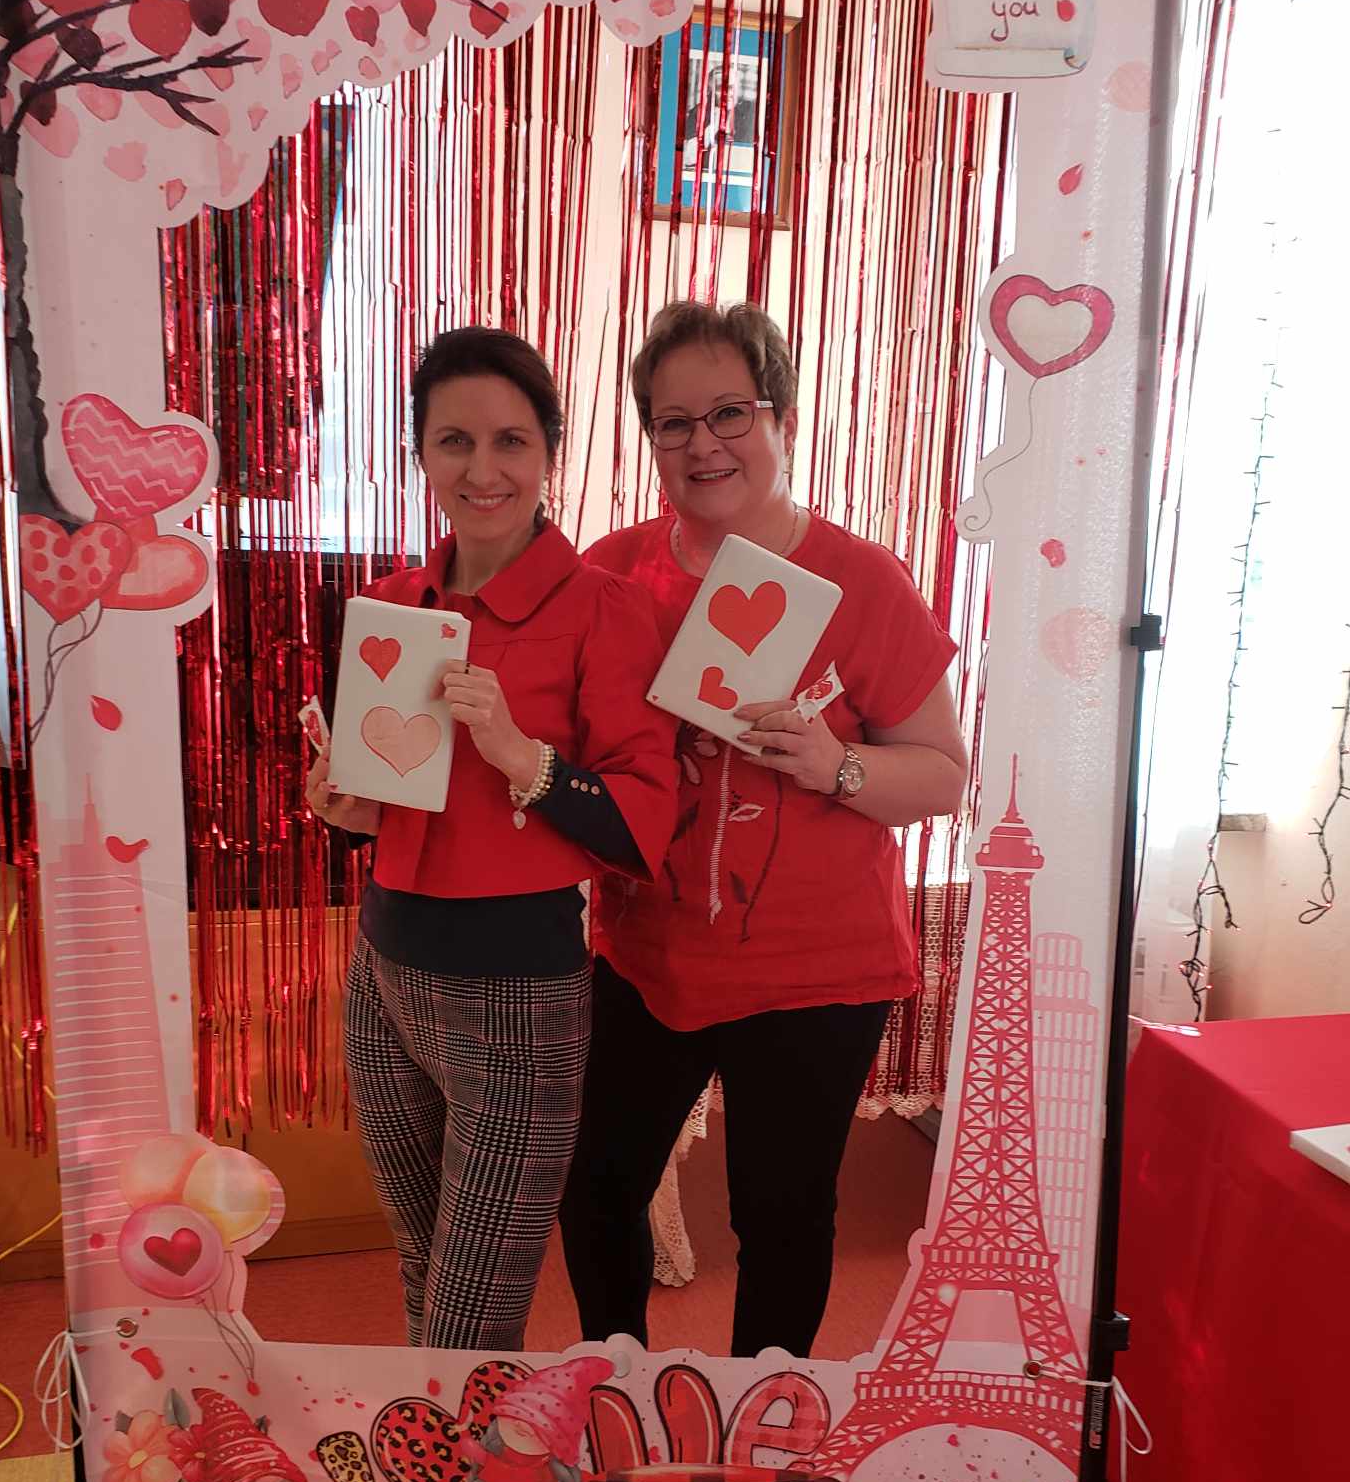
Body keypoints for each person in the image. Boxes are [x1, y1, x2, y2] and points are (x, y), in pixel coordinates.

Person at [559, 301, 968, 1361]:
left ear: (780, 418)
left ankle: (760, 1420)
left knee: (781, 1217)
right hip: (647, 953)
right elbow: (570, 751)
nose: (704, 444)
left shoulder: (861, 581)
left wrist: (833, 763)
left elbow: (942, 773)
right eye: (673, 422)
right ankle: (618, 1385)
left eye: (730, 413)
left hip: (818, 973)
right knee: (595, 1188)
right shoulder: (611, 571)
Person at [306, 327, 677, 1358]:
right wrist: (340, 808)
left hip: (518, 998)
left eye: (511, 440)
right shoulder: (391, 606)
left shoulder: (606, 611)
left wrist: (523, 755)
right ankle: (443, 1462)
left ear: (550, 451)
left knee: (470, 1320)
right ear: (421, 453)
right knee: (422, 1270)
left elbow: (646, 821)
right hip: (383, 976)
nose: (483, 469)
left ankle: (457, 1461)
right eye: (454, 441)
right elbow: (376, 808)